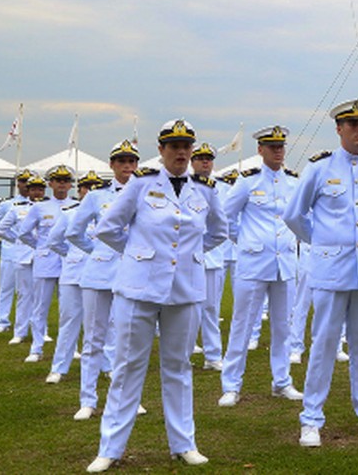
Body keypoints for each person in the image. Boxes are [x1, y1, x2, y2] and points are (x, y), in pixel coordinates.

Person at [86, 119, 228, 473]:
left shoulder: (206, 190)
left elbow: (219, 232)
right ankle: (110, 448)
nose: (181, 152)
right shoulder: (141, 184)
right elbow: (108, 228)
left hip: (185, 290)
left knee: (178, 368)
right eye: (174, 146)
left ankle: (184, 443)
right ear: (161, 150)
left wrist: (188, 257)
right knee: (128, 367)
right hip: (139, 289)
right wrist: (139, 252)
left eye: (186, 146)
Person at [282, 99, 358, 447]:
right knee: (323, 345)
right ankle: (311, 419)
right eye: (352, 124)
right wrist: (321, 243)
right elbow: (294, 215)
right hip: (331, 271)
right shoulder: (318, 169)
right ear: (339, 128)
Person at [219, 126, 303, 406]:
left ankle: (282, 381)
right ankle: (231, 384)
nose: (278, 151)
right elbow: (225, 218)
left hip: (285, 263)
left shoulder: (293, 182)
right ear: (261, 150)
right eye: (272, 147)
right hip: (254, 263)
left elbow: (300, 217)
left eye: (281, 147)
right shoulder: (247, 181)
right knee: (242, 325)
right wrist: (244, 240)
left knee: (283, 326)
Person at [66, 140, 140, 421]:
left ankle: (128, 398)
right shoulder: (96, 197)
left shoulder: (146, 193)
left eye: (132, 162)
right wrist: (96, 251)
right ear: (112, 166)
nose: (127, 167)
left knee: (129, 339)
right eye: (122, 162)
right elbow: (75, 232)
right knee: (94, 339)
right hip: (98, 274)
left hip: (132, 273)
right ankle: (88, 399)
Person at [42, 170, 105, 384]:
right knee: (69, 321)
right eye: (87, 187)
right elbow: (53, 241)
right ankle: (59, 367)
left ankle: (107, 365)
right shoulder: (70, 213)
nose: (91, 191)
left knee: (103, 324)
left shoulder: (110, 213)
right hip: (74, 274)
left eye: (96, 187)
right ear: (80, 190)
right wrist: (71, 255)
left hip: (99, 273)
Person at [17, 164, 76, 363]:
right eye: (58, 180)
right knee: (40, 306)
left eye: (66, 181)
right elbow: (24, 233)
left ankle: (71, 347)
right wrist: (40, 248)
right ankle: (37, 347)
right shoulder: (40, 207)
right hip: (46, 261)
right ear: (50, 183)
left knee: (69, 308)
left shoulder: (77, 206)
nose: (62, 184)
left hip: (69, 261)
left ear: (71, 185)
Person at [189, 143, 230, 371]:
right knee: (185, 308)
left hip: (212, 256)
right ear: (192, 162)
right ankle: (183, 353)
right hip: (187, 257)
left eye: (208, 158)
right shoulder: (182, 185)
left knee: (211, 308)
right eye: (200, 158)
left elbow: (224, 223)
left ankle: (213, 355)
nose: (205, 162)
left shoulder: (221, 188)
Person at [0, 170, 33, 334]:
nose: (26, 184)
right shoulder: (9, 204)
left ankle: (27, 321)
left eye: (29, 181)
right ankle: (3, 320)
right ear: (18, 184)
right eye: (23, 181)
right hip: (11, 249)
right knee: (6, 287)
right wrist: (13, 238)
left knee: (29, 289)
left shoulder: (40, 203)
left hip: (30, 251)